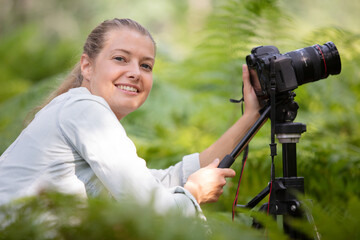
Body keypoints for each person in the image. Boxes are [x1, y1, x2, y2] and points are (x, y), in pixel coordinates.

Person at [0, 18, 261, 217]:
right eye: (120, 59)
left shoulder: (78, 111)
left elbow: (157, 183)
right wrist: (194, 194)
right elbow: (152, 210)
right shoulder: (84, 110)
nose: (135, 72)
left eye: (145, 65)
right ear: (87, 66)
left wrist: (252, 116)